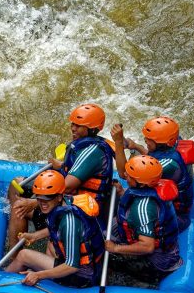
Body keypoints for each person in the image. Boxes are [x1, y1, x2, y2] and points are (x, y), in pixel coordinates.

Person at [7, 103, 114, 247]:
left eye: (79, 126)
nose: (73, 128)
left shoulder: (93, 152)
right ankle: (27, 224)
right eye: (73, 124)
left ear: (92, 129)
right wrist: (62, 166)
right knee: (16, 184)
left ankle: (19, 250)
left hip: (77, 207)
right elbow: (77, 170)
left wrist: (34, 202)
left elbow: (68, 186)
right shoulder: (85, 143)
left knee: (18, 208)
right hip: (66, 197)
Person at [5, 170, 105, 288]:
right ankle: (50, 279)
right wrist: (35, 236)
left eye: (47, 198)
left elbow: (72, 266)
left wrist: (38, 275)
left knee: (23, 255)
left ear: (58, 197)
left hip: (83, 275)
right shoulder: (65, 202)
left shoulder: (70, 222)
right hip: (87, 266)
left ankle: (2, 281)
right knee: (51, 244)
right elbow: (56, 228)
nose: (43, 203)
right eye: (39, 198)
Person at [105, 155, 183, 284]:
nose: (125, 175)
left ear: (140, 183)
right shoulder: (151, 187)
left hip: (158, 263)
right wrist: (121, 192)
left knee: (108, 256)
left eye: (129, 176)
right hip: (166, 250)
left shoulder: (142, 208)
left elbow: (147, 246)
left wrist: (116, 248)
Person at [110, 116, 194, 232]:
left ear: (160, 144)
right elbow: (154, 159)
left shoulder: (169, 165)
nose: (145, 140)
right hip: (170, 207)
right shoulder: (171, 144)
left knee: (114, 230)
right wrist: (136, 147)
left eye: (149, 139)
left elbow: (125, 174)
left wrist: (118, 142)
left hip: (175, 218)